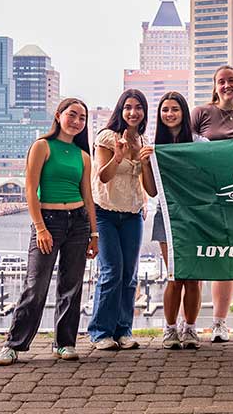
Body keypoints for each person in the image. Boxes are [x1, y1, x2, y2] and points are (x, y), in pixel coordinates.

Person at [0, 98, 98, 365]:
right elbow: (29, 189)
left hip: (78, 223)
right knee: (35, 285)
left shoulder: (83, 156)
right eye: (72, 115)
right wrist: (40, 227)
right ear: (59, 115)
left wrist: (94, 234)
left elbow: (88, 196)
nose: (77, 121)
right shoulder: (42, 146)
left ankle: (64, 343)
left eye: (82, 118)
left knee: (71, 286)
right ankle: (14, 344)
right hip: (49, 221)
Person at [88, 89, 157, 350]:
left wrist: (146, 163)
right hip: (105, 212)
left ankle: (123, 330)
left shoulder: (143, 140)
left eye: (138, 107)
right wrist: (118, 156)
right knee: (111, 272)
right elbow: (103, 177)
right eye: (128, 107)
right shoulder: (107, 137)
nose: (133, 112)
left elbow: (150, 190)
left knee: (129, 274)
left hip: (132, 214)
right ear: (120, 110)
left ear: (144, 113)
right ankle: (100, 332)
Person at [191, 65, 233, 343]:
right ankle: (188, 325)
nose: (227, 85)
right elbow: (179, 145)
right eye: (221, 81)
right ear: (215, 86)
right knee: (198, 258)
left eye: (232, 80)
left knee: (228, 260)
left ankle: (220, 323)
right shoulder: (201, 113)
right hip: (202, 197)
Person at [148, 91, 207, 349]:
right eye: (165, 110)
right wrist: (143, 164)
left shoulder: (200, 143)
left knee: (193, 276)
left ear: (184, 112)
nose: (170, 114)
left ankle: (190, 328)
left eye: (175, 109)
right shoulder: (154, 146)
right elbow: (151, 190)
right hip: (167, 216)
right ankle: (170, 328)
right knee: (175, 275)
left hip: (194, 216)